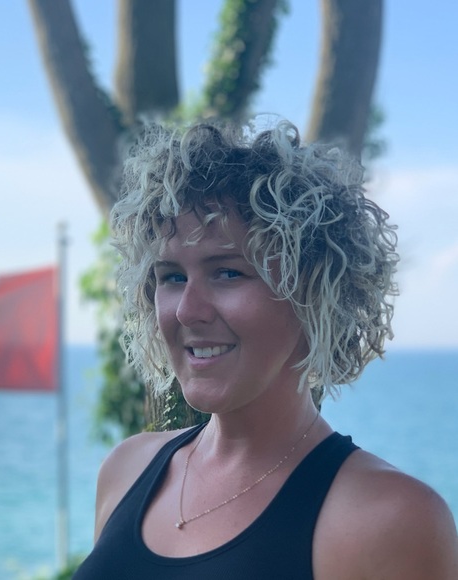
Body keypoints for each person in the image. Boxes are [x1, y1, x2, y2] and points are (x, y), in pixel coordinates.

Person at [73, 119, 458, 579]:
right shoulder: (126, 470)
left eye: (228, 272)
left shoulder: (386, 518)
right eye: (172, 276)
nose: (187, 310)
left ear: (314, 293)